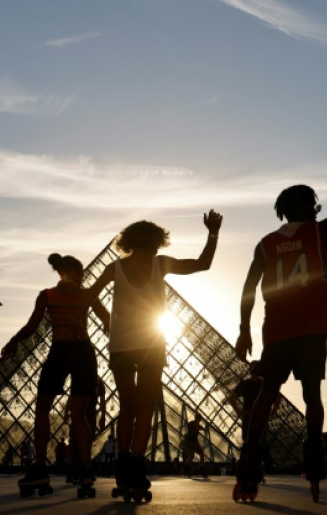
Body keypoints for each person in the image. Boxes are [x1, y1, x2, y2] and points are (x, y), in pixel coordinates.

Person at [235, 166, 327, 501]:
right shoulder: (321, 230)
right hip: (312, 329)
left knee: (265, 395)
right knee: (311, 395)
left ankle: (249, 457)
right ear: (310, 206)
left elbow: (247, 288)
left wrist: (244, 330)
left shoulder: (265, 244)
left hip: (275, 330)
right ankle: (313, 451)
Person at [85, 210, 222, 495]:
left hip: (121, 345)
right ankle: (136, 464)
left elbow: (89, 296)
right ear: (158, 241)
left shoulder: (115, 267)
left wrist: (108, 322)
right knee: (146, 406)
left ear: (129, 241)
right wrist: (212, 233)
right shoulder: (161, 264)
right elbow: (203, 264)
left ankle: (123, 466)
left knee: (127, 407)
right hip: (151, 344)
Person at [2, 252, 110, 494]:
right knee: (80, 415)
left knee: (42, 408)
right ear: (77, 273)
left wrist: (13, 341)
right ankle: (86, 470)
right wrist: (110, 330)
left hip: (59, 350)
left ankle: (40, 468)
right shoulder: (86, 293)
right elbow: (107, 319)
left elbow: (31, 327)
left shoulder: (47, 295)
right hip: (83, 351)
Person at [182, 413, 208, 477]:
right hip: (191, 442)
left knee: (198, 455)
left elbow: (199, 428)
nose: (199, 420)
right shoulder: (193, 424)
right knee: (192, 456)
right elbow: (197, 428)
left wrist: (203, 429)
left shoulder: (193, 423)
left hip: (193, 441)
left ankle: (188, 469)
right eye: (199, 419)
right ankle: (188, 469)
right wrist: (203, 429)